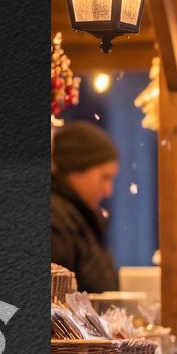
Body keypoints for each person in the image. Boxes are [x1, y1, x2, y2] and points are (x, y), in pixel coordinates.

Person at [49, 121, 120, 293]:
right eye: (104, 177)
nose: (108, 190)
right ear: (76, 168)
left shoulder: (80, 216)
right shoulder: (55, 219)